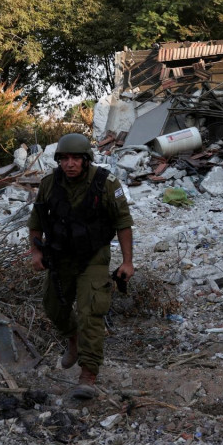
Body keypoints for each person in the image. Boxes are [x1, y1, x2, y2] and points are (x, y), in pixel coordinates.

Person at [28, 133, 135, 399]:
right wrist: (35, 251)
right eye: (65, 158)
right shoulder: (50, 183)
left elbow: (123, 222)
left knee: (91, 313)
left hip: (93, 258)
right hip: (60, 256)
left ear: (86, 160)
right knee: (53, 307)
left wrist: (127, 261)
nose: (70, 164)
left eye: (76, 158)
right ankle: (72, 339)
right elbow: (36, 220)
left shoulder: (106, 183)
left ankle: (88, 373)